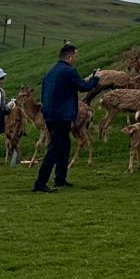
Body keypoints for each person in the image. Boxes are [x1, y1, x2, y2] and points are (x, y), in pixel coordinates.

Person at [33, 43, 99, 193]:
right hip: (61, 115)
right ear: (69, 56)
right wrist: (95, 79)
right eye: (75, 56)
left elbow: (44, 92)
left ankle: (60, 178)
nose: (76, 59)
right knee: (55, 147)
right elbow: (83, 87)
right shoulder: (69, 71)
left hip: (49, 114)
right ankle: (40, 182)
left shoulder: (51, 71)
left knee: (65, 145)